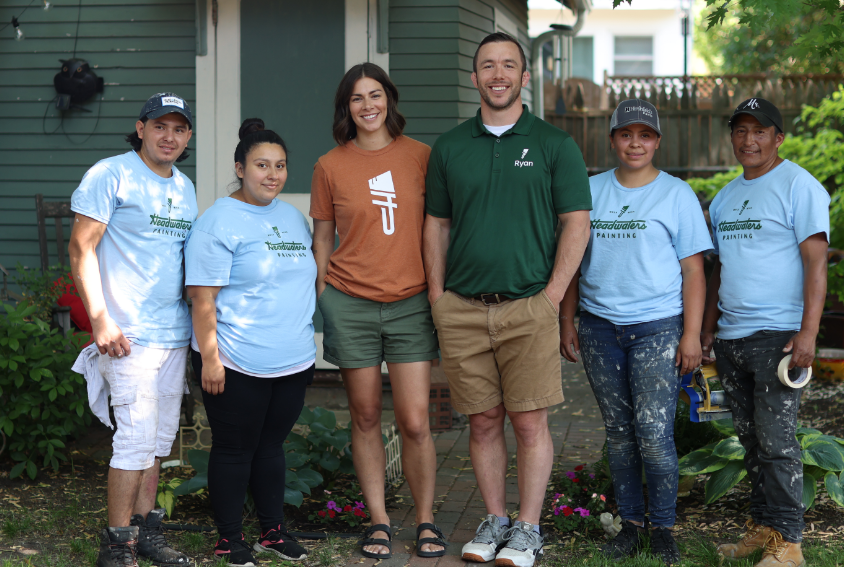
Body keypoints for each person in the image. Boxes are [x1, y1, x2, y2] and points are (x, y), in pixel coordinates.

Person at [423, 32, 592, 567]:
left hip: (528, 307)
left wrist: (552, 297)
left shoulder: (553, 144)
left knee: (529, 422)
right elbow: (437, 224)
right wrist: (436, 295)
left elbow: (577, 224)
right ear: (473, 78)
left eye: (509, 66)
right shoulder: (450, 147)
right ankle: (495, 519)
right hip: (464, 309)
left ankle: (528, 528)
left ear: (524, 77)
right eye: (487, 66)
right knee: (482, 420)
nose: (498, 75)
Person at [559, 99, 712, 565]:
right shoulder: (591, 191)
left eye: (645, 135)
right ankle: (631, 525)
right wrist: (567, 320)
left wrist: (691, 334)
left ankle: (663, 527)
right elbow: (571, 262)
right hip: (601, 327)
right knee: (620, 433)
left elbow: (694, 272)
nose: (635, 143)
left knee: (653, 432)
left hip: (658, 327)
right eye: (626, 134)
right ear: (612, 140)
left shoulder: (677, 194)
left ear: (657, 141)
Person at [310, 63, 445, 559]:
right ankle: (379, 521)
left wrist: (439, 289)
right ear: (346, 108)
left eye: (375, 95)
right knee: (365, 415)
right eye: (356, 99)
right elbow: (323, 238)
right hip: (350, 302)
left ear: (390, 98)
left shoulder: (422, 158)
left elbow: (440, 227)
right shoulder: (329, 165)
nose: (367, 106)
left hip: (411, 303)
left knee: (414, 420)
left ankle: (426, 519)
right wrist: (322, 294)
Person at [69, 92, 197, 567]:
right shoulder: (111, 174)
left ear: (187, 138)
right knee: (134, 439)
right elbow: (80, 249)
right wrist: (100, 318)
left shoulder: (185, 187)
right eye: (160, 126)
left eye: (179, 129)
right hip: (127, 333)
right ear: (140, 128)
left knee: (159, 441)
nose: (169, 136)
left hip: (173, 333)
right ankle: (116, 545)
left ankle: (146, 533)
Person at [701, 98, 829, 567]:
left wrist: (808, 333)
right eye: (741, 130)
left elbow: (817, 262)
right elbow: (720, 270)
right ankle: (765, 526)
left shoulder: (799, 185)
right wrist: (708, 330)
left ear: (778, 137)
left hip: (778, 335)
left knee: (777, 440)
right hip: (733, 336)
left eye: (760, 131)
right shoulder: (726, 197)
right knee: (751, 439)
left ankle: (790, 544)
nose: (749, 140)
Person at [185, 119, 315, 567]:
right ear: (240, 168)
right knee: (234, 450)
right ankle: (228, 539)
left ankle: (273, 532)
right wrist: (211, 360)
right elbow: (202, 297)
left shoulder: (292, 216)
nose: (273, 174)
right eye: (262, 165)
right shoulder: (217, 221)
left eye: (280, 165)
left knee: (271, 449)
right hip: (237, 362)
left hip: (293, 361)